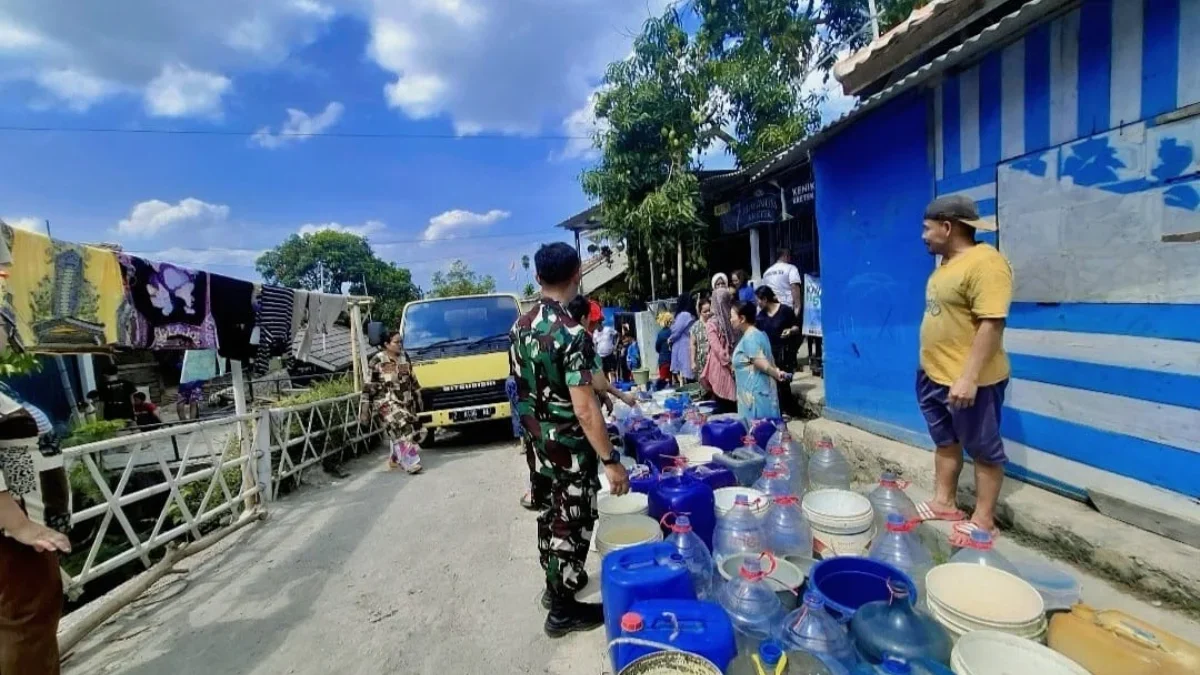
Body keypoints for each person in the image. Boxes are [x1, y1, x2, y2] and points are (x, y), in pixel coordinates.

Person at [509, 242, 629, 638]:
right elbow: (584, 408)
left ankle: (554, 588)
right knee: (572, 522)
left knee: (549, 516)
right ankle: (561, 611)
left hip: (538, 447)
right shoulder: (573, 333)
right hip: (569, 451)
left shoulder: (519, 327)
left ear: (538, 278)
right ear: (577, 273)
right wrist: (610, 460)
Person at [914, 195, 1013, 548]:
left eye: (927, 229)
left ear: (947, 227)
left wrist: (969, 377)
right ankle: (945, 503)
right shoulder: (946, 264)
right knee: (945, 440)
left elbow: (992, 323)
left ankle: (983, 519)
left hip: (971, 381)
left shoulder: (986, 264)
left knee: (983, 449)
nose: (923, 236)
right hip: (934, 375)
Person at [0, 391, 71, 674]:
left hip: (28, 524)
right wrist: (18, 523)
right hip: (16, 534)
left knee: (28, 626)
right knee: (26, 627)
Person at [365, 331, 424, 474]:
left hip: (405, 401)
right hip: (385, 403)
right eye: (396, 342)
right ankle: (410, 463)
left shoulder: (405, 357)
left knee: (398, 431)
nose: (400, 345)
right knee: (403, 425)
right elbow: (368, 387)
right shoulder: (377, 360)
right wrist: (364, 411)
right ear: (386, 344)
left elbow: (413, 380)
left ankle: (395, 458)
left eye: (400, 342)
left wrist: (419, 398)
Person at [729, 302, 789, 421]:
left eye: (732, 316)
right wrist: (776, 371)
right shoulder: (759, 334)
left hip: (755, 399)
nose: (730, 320)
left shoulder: (750, 337)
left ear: (742, 318)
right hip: (759, 395)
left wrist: (775, 373)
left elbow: (760, 362)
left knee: (758, 434)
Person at [755, 286, 801, 415]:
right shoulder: (760, 317)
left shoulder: (785, 311)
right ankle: (780, 411)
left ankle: (790, 410)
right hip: (769, 354)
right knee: (773, 383)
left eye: (758, 300)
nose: (757, 303)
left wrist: (790, 331)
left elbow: (797, 327)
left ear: (765, 299)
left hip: (785, 353)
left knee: (784, 383)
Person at [701, 288, 738, 414]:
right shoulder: (712, 323)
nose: (726, 305)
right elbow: (716, 347)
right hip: (720, 365)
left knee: (732, 400)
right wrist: (729, 362)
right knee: (725, 398)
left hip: (732, 364)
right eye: (723, 302)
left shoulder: (731, 319)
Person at [668, 294, 696, 384]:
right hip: (688, 343)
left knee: (687, 373)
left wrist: (670, 338)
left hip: (684, 346)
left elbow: (676, 330)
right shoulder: (691, 314)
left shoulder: (684, 315)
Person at [689, 298, 712, 390]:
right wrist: (693, 362)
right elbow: (693, 344)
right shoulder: (695, 327)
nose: (708, 313)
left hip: (714, 360)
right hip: (701, 361)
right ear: (700, 312)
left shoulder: (714, 323)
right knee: (704, 387)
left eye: (709, 310)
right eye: (705, 311)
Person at [592, 314, 619, 381]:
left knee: (612, 371)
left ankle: (614, 385)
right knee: (604, 373)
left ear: (599, 323)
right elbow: (595, 344)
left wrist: (615, 345)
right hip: (600, 356)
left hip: (609, 355)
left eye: (596, 324)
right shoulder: (595, 333)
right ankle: (607, 387)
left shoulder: (608, 329)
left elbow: (618, 335)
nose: (595, 326)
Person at [654, 312, 673, 387]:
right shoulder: (673, 332)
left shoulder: (660, 333)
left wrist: (661, 352)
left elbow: (657, 347)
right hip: (672, 360)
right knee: (670, 380)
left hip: (663, 360)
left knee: (663, 381)